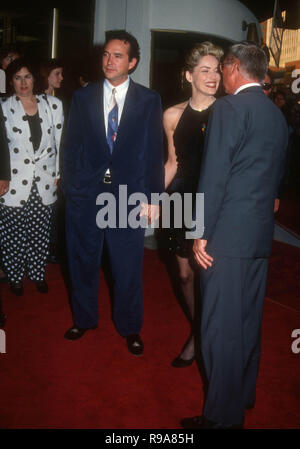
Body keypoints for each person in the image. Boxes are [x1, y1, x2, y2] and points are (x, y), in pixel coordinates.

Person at [181, 41, 288, 429]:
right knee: (245, 324)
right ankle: (243, 395)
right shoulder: (275, 115)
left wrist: (200, 233)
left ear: (232, 68)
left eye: (221, 69)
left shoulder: (229, 107)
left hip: (224, 239)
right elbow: (274, 177)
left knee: (219, 331)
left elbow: (214, 175)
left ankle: (223, 419)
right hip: (258, 238)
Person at [62, 30, 164, 356]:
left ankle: (130, 327)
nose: (109, 60)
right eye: (106, 54)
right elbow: (71, 146)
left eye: (118, 55)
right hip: (86, 194)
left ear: (132, 62)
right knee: (82, 260)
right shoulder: (83, 96)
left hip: (127, 195)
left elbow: (153, 151)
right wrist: (72, 185)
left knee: (126, 266)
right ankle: (84, 318)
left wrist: (153, 196)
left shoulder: (149, 100)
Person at [163, 42, 223, 367]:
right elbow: (172, 164)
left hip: (214, 201)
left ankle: (207, 335)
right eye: (205, 70)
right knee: (185, 276)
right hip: (180, 200)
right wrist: (149, 197)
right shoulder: (172, 114)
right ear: (189, 75)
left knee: (209, 275)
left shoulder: (227, 111)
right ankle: (199, 331)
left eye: (216, 70)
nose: (213, 76)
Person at [0, 58, 64, 296]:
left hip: (45, 180)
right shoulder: (4, 107)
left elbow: (60, 141)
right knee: (13, 233)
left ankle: (38, 274)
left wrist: (58, 172)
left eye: (27, 77)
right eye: (17, 78)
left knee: (40, 231)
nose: (23, 83)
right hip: (13, 182)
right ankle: (15, 277)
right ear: (11, 81)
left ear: (35, 79)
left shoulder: (53, 105)